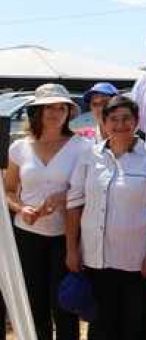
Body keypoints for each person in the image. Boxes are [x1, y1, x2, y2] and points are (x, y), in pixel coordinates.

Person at [65, 96, 146, 340]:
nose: (120, 124)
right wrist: (72, 249)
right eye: (113, 119)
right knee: (100, 326)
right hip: (96, 258)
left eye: (126, 118)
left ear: (136, 121)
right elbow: (74, 204)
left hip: (134, 261)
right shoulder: (89, 157)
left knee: (132, 325)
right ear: (103, 123)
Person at [3, 83, 90, 340]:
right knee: (34, 302)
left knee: (64, 304)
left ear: (69, 112)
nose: (55, 112)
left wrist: (65, 197)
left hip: (66, 235)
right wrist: (21, 208)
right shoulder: (19, 147)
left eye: (61, 107)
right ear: (37, 111)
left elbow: (88, 192)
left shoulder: (81, 147)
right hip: (27, 234)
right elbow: (7, 190)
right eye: (48, 107)